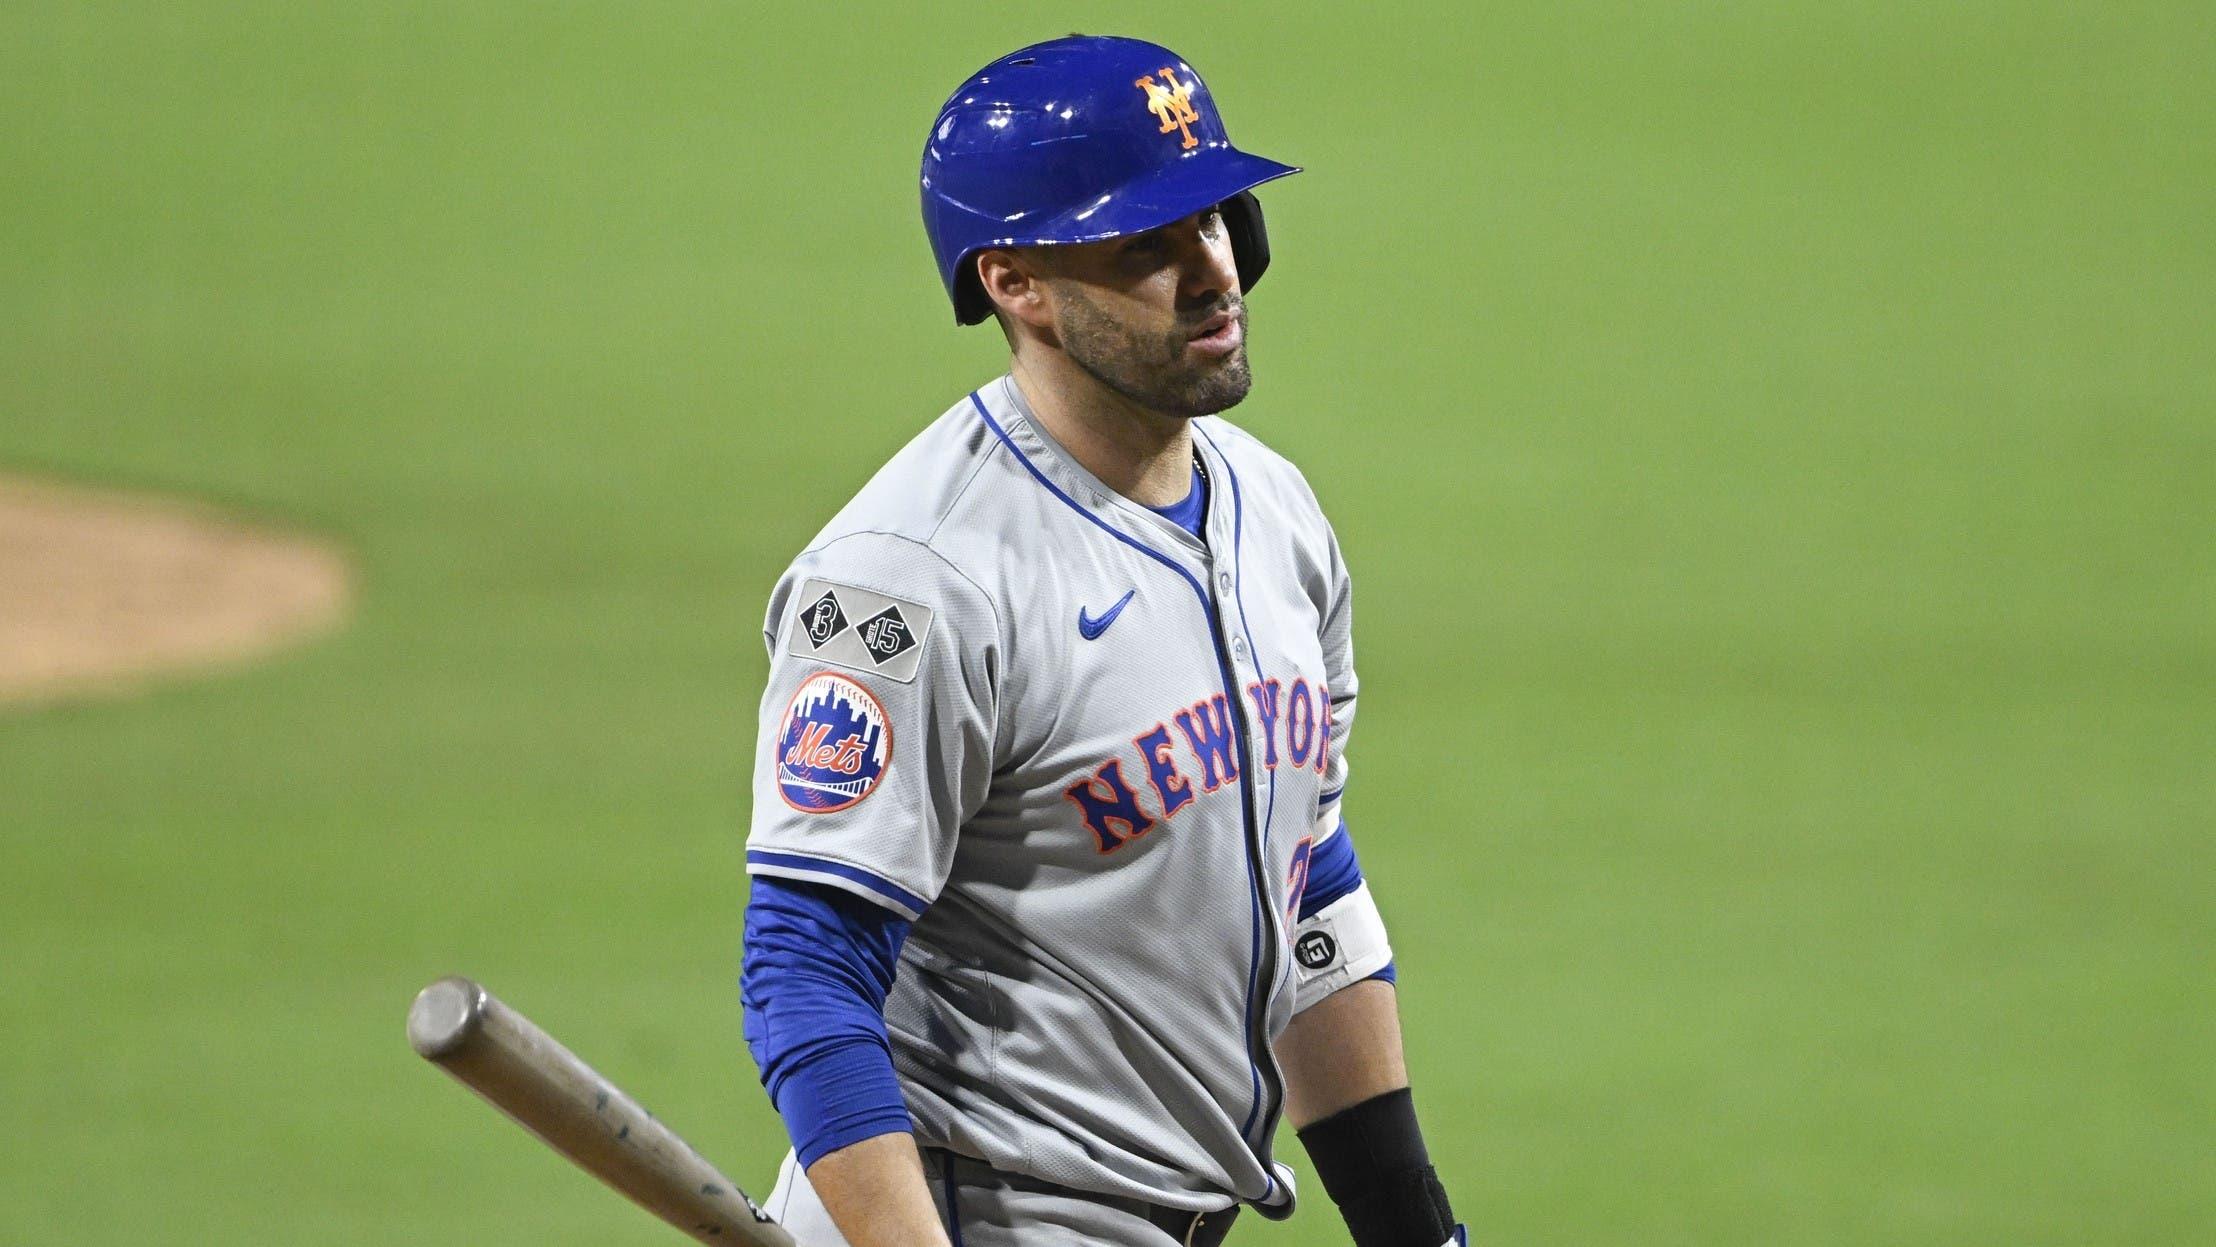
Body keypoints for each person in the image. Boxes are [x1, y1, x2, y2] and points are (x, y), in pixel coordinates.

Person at [741, 35, 1465, 1247]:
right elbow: (806, 971)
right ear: (1015, 282)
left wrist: (1407, 1220)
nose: (1213, 269)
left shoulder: (1272, 508)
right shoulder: (912, 583)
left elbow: (1307, 878)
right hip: (977, 1217)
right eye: (1147, 242)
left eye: (1216, 218)